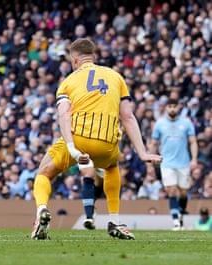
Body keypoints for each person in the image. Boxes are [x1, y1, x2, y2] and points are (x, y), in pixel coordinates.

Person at [31, 38, 162, 240]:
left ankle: (41, 212)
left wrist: (72, 148)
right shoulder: (116, 77)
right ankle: (115, 221)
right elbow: (127, 116)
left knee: (44, 172)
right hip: (107, 142)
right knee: (111, 168)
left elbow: (64, 115)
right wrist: (142, 152)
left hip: (79, 137)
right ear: (94, 57)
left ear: (75, 60)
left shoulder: (68, 82)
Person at [149, 98, 198, 231]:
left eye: (174, 106)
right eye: (169, 106)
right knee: (171, 190)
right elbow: (154, 143)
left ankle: (181, 215)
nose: (172, 109)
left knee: (183, 192)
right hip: (167, 163)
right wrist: (149, 161)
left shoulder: (186, 123)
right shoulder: (160, 124)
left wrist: (194, 159)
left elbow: (193, 142)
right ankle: (175, 221)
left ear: (178, 108)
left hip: (183, 163)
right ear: (166, 108)